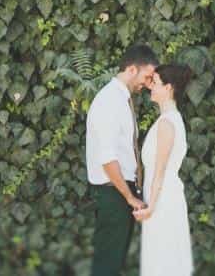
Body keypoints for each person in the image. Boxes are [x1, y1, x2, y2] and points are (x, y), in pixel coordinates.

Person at [85, 44, 158, 275]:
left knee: (113, 264)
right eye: (147, 76)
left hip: (120, 191)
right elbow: (107, 158)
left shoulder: (120, 98)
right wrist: (129, 197)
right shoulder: (109, 100)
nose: (147, 83)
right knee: (107, 266)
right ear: (132, 69)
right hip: (114, 192)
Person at [133, 64, 194, 275]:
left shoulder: (167, 124)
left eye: (156, 82)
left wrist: (150, 208)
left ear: (168, 88)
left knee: (163, 263)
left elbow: (160, 172)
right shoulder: (169, 119)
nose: (151, 86)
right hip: (162, 198)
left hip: (162, 201)